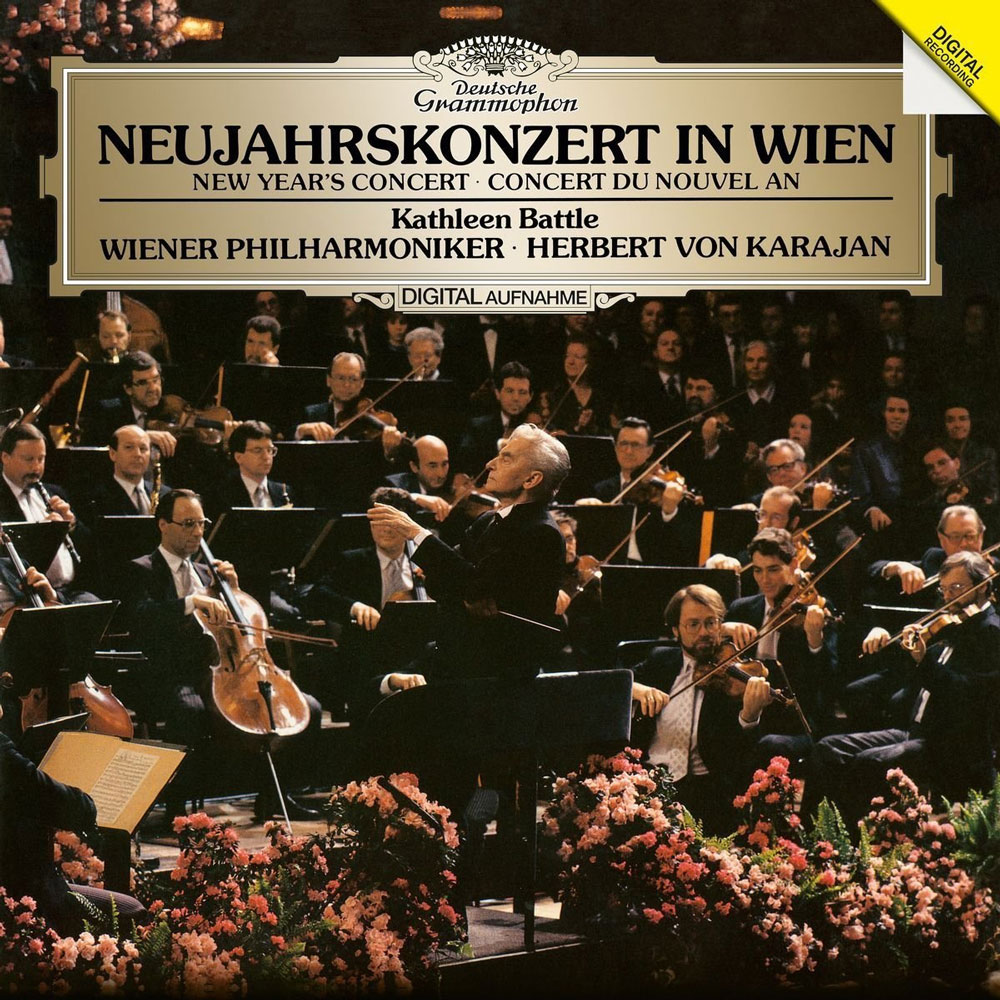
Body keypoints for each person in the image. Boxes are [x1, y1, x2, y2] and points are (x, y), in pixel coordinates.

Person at [125, 489, 322, 822]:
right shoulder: (141, 569)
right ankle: (177, 810)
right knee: (190, 711)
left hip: (227, 671)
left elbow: (245, 626)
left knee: (310, 708)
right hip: (174, 672)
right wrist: (191, 602)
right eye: (187, 524)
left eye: (201, 523)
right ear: (163, 524)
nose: (197, 533)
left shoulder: (210, 574)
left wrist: (235, 588)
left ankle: (274, 797)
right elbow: (141, 618)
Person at [365, 423, 570, 687]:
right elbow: (440, 584)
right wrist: (466, 594)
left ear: (531, 480)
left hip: (495, 679)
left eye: (506, 458)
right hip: (458, 659)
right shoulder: (487, 520)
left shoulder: (541, 533)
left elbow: (471, 585)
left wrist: (416, 533)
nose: (490, 464)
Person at [810, 551, 1000, 823]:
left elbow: (969, 697)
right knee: (828, 749)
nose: (948, 596)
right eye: (944, 589)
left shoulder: (991, 632)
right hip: (914, 731)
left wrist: (924, 661)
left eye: (956, 588)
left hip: (951, 746)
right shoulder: (951, 623)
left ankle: (851, 839)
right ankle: (814, 832)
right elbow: (903, 675)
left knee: (869, 763)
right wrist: (892, 643)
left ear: (982, 586)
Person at [628, 584, 774, 833]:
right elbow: (617, 681)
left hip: (705, 790)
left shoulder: (734, 677)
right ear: (676, 630)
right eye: (693, 624)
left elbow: (738, 757)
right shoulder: (660, 659)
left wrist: (749, 717)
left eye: (711, 622)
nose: (704, 632)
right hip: (650, 780)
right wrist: (638, 689)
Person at [0, 424, 90, 601]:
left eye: (41, 459)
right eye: (29, 459)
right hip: (26, 596)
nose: (36, 467)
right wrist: (45, 536)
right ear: (5, 457)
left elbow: (89, 549)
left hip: (69, 592)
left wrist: (72, 525)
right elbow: (7, 560)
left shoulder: (55, 492)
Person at [292, 352, 403, 458]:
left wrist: (391, 451)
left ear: (362, 382)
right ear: (328, 380)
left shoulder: (373, 422)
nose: (347, 385)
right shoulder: (311, 414)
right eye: (341, 378)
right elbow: (291, 448)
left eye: (353, 379)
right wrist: (301, 431)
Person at [457, 360, 534, 476]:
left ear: (530, 396)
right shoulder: (477, 427)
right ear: (497, 393)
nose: (516, 398)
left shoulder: (539, 428)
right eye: (509, 391)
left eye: (522, 392)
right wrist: (499, 445)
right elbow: (465, 464)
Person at [84, 423, 162, 521]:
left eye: (143, 449)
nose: (138, 454)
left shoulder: (164, 494)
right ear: (113, 454)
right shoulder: (95, 499)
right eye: (129, 447)